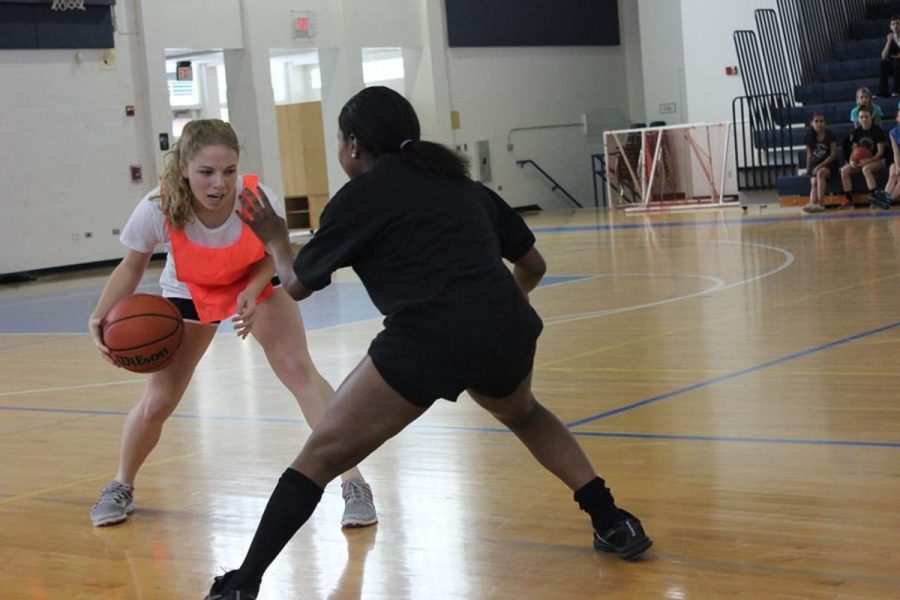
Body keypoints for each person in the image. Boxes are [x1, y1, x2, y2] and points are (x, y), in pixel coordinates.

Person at [203, 87, 652, 600]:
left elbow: (298, 284)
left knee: (320, 457)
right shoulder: (462, 184)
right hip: (507, 325)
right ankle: (612, 520)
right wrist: (490, 317)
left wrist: (276, 238)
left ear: (352, 144)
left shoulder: (361, 196)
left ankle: (243, 583)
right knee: (524, 414)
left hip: (427, 339)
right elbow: (533, 266)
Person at [88, 119, 377, 530]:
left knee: (300, 373)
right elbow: (131, 265)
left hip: (253, 283)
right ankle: (121, 484)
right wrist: (100, 314)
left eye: (228, 171)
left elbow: (275, 254)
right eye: (206, 171)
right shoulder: (158, 204)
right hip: (189, 292)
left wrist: (253, 288)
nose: (219, 183)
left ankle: (355, 484)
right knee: (159, 400)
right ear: (185, 167)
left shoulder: (257, 199)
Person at [840, 106, 887, 208]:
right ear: (858, 118)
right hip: (863, 160)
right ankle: (849, 200)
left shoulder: (878, 131)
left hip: (878, 160)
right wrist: (852, 161)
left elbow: (880, 152)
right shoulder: (856, 132)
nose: (864, 119)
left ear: (871, 117)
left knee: (866, 169)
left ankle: (874, 199)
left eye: (866, 116)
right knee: (844, 171)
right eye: (861, 117)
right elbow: (854, 151)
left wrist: (868, 161)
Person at [802, 113, 838, 214]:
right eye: (816, 121)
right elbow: (809, 155)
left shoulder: (830, 135)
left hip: (830, 164)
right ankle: (813, 204)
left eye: (821, 121)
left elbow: (833, 155)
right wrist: (808, 170)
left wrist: (819, 166)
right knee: (813, 182)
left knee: (820, 173)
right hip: (816, 165)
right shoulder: (809, 136)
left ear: (825, 122)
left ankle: (821, 204)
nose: (819, 124)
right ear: (811, 123)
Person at [873, 108, 900, 209]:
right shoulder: (893, 132)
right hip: (898, 160)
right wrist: (897, 166)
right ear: (897, 118)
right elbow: (896, 152)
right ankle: (884, 198)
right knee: (893, 173)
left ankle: (887, 200)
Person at [879, 16, 900, 98]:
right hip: (895, 66)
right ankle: (883, 92)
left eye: (898, 23)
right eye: (893, 24)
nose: (895, 26)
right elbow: (884, 56)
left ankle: (897, 90)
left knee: (897, 62)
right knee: (882, 63)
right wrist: (889, 41)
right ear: (890, 27)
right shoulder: (890, 39)